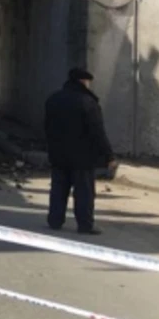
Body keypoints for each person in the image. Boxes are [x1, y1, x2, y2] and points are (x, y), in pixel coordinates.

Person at [44, 68, 117, 234]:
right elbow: (97, 132)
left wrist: (51, 148)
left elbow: (47, 127)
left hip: (58, 154)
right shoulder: (87, 102)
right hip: (82, 157)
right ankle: (85, 225)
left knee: (58, 189)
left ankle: (55, 220)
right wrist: (109, 156)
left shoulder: (53, 99)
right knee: (84, 192)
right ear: (84, 82)